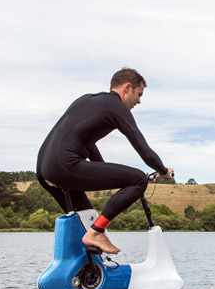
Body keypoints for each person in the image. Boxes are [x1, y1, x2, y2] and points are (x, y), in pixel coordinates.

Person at [36, 68, 173, 254]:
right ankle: (96, 233)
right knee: (138, 179)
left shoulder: (86, 100)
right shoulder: (116, 107)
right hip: (64, 165)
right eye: (139, 94)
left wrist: (104, 172)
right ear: (127, 87)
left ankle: (87, 272)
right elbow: (144, 150)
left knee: (87, 221)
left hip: (45, 169)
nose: (139, 101)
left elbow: (87, 142)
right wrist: (163, 170)